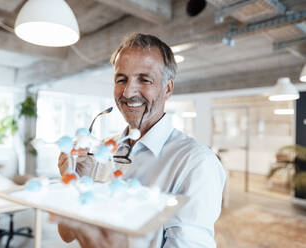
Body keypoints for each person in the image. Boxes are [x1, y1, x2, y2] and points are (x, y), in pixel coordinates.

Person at [55, 33, 226, 248]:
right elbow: (67, 234)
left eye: (144, 79)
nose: (128, 92)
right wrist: (75, 182)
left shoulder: (196, 162)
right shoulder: (102, 151)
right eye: (121, 79)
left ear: (168, 88)